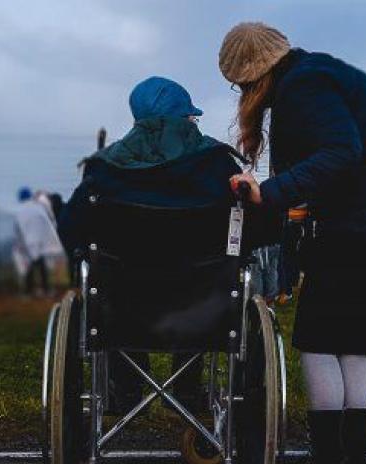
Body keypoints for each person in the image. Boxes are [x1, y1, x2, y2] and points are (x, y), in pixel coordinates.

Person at [220, 22, 366, 464]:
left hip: (361, 229)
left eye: (241, 84)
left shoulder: (304, 88)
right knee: (354, 345)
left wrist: (269, 193)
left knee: (317, 341)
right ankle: (353, 459)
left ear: (256, 74)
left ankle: (329, 457)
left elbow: (341, 152)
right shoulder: (320, 74)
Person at [58, 76, 251, 413]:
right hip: (201, 305)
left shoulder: (104, 168)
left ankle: (127, 389)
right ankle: (187, 390)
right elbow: (253, 227)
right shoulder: (217, 163)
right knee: (200, 280)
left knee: (115, 286)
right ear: (185, 118)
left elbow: (70, 228)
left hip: (122, 306)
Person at [13, 187, 63, 296]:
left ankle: (28, 291)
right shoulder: (38, 207)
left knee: (29, 267)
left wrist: (20, 243)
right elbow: (47, 222)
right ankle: (46, 289)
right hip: (40, 241)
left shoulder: (19, 211)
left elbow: (17, 229)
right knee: (41, 266)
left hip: (27, 242)